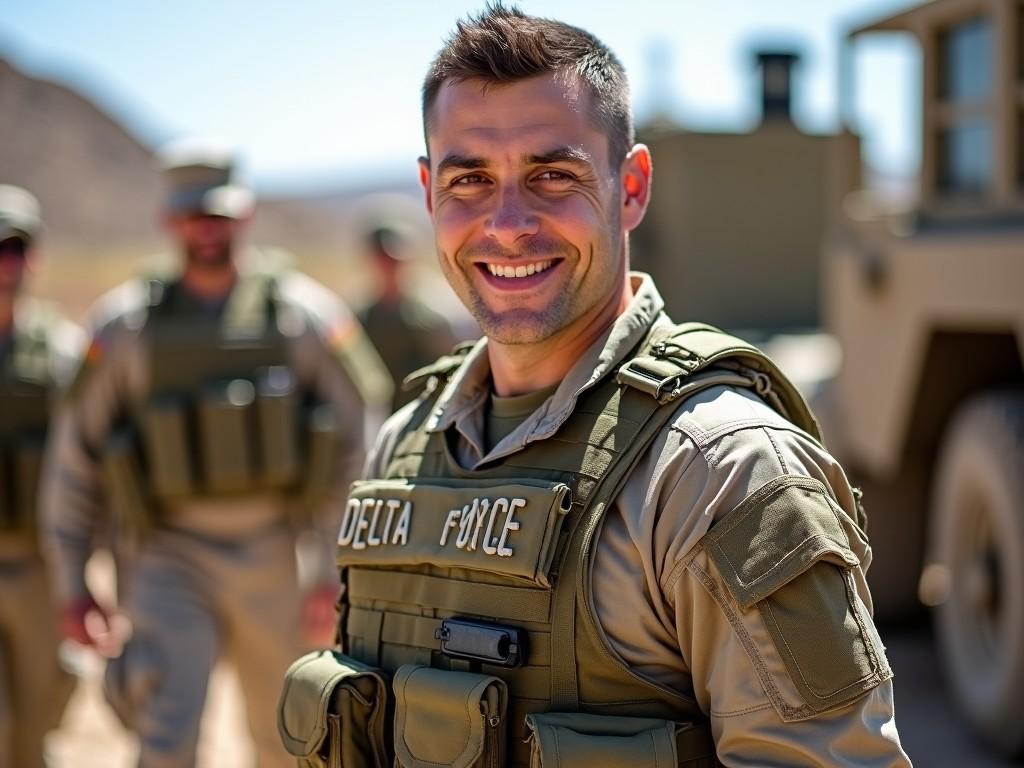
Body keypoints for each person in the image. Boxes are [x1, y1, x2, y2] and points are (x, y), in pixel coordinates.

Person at [279, 7, 911, 767]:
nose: (508, 224)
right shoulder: (403, 442)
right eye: (470, 179)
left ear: (631, 186)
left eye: (553, 175)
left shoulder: (719, 470)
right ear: (428, 195)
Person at [42, 145, 391, 767]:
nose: (207, 231)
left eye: (220, 217)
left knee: (286, 737)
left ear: (246, 215)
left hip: (275, 556)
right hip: (165, 557)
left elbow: (360, 435)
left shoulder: (301, 316)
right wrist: (72, 580)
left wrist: (336, 570)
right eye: (193, 217)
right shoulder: (125, 328)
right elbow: (77, 453)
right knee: (166, 737)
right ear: (168, 221)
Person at [0, 185, 82, 768]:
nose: (7, 264)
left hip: (35, 567)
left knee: (37, 721)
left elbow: (87, 467)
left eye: (17, 248)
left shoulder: (60, 353)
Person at [358, 223, 460, 412]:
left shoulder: (432, 315)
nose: (388, 267)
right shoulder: (359, 317)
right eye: (382, 259)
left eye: (393, 260)